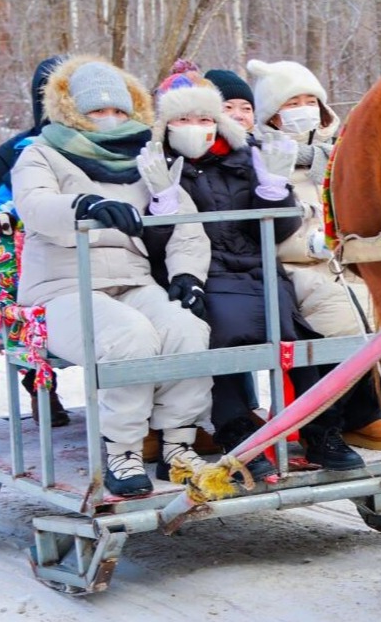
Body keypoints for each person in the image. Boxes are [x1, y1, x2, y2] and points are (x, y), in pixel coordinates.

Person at [11, 56, 215, 498]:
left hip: (133, 282)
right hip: (64, 288)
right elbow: (35, 206)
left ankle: (178, 443)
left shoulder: (144, 158)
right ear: (72, 113)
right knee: (129, 337)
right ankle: (123, 448)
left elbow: (185, 223)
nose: (110, 120)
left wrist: (187, 275)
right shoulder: (40, 154)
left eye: (119, 111)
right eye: (97, 111)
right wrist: (83, 206)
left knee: (187, 329)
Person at [148, 65, 365, 480]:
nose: (197, 128)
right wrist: (161, 203)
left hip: (258, 268)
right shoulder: (161, 164)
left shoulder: (244, 157)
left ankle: (322, 430)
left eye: (205, 119)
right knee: (225, 340)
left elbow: (276, 230)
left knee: (297, 339)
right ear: (167, 124)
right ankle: (240, 433)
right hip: (202, 274)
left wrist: (275, 191)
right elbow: (160, 244)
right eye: (184, 119)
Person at [246, 59, 381, 451]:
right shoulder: (258, 159)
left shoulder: (340, 154)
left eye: (309, 101)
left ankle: (365, 411)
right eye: (292, 103)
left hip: (345, 258)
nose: (304, 110)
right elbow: (254, 226)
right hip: (292, 264)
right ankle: (323, 419)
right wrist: (309, 244)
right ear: (272, 116)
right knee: (341, 317)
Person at [0, 56, 72, 428]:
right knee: (19, 295)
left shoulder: (111, 146)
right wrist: (5, 218)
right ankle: (41, 387)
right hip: (32, 260)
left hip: (95, 254)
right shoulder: (19, 150)